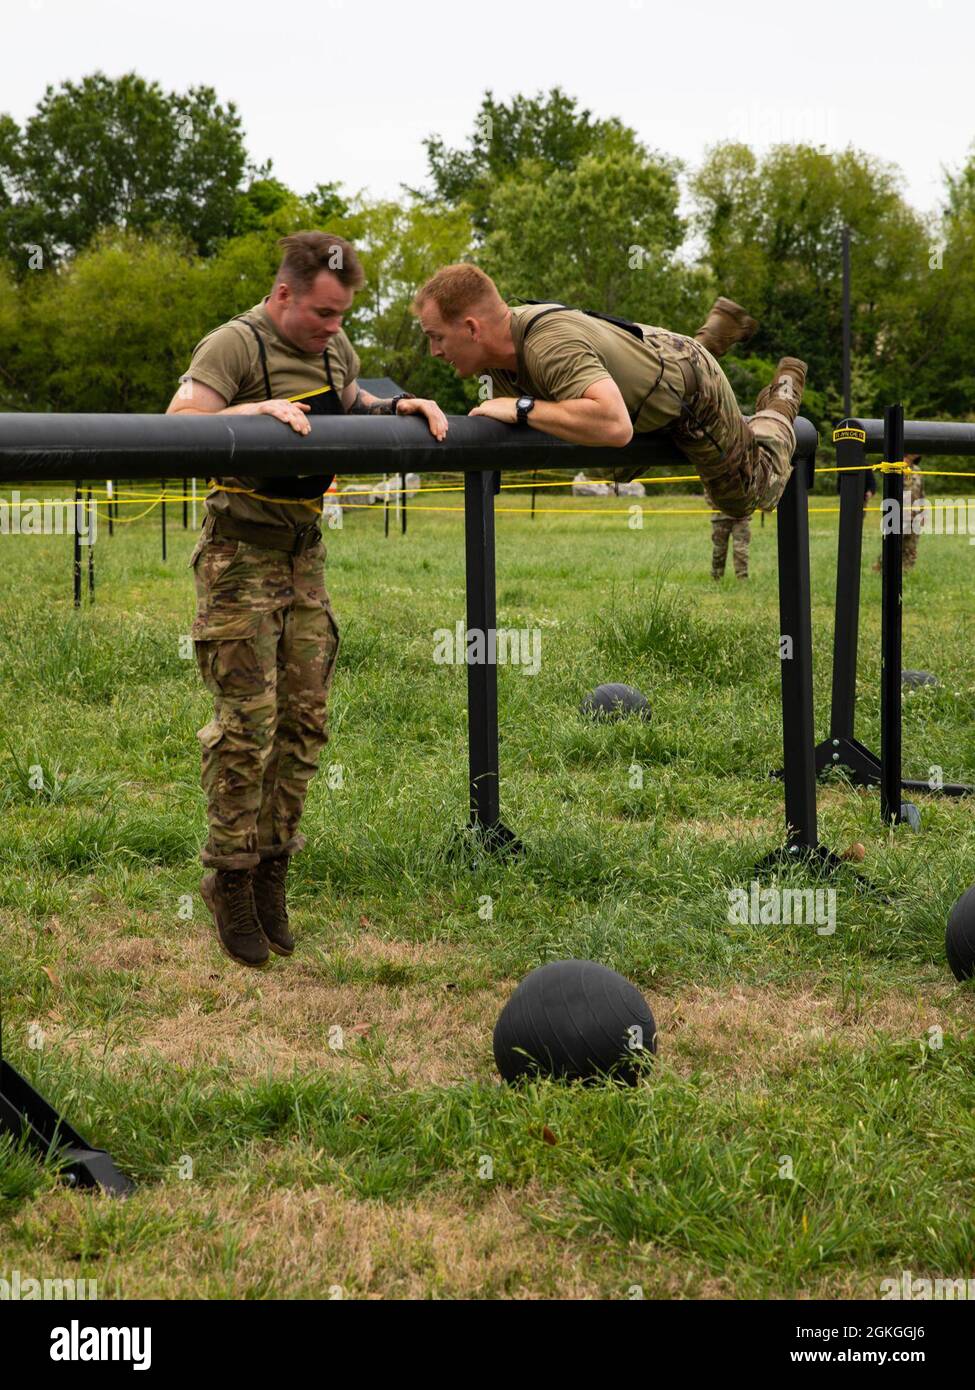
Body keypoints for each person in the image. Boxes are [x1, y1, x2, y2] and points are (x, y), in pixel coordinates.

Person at [167, 231, 447, 967]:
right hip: (239, 556)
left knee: (305, 725)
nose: (334, 327)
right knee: (246, 728)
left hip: (304, 553)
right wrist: (252, 415)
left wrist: (396, 408)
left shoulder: (334, 349)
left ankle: (271, 869)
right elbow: (177, 424)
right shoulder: (233, 346)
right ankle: (227, 875)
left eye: (341, 314)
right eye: (323, 313)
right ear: (284, 293)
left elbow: (348, 400)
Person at [412, 265, 805, 518]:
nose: (434, 351)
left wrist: (523, 406)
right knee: (616, 444)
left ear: (471, 328)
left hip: (690, 392)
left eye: (436, 337)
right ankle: (715, 332)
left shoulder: (547, 347)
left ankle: (783, 396)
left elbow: (615, 426)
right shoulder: (500, 350)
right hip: (652, 355)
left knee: (745, 496)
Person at [872, 454, 925, 572]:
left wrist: (923, 512)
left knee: (911, 545)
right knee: (893, 543)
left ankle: (906, 571)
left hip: (915, 513)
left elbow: (921, 492)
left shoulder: (917, 470)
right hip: (899, 512)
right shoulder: (895, 467)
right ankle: (881, 568)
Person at [711, 512, 751, 580]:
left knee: (740, 549)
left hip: (740, 516)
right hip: (722, 515)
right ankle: (716, 578)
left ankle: (742, 579)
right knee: (719, 549)